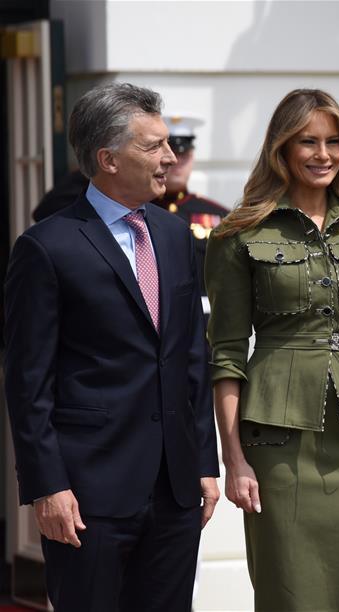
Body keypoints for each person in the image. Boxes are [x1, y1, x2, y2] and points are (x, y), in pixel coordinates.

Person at [3, 82, 220, 611]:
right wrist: (46, 484)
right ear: (108, 159)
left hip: (175, 491)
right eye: (153, 146)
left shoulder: (174, 236)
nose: (170, 157)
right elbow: (27, 380)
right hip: (86, 495)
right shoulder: (46, 246)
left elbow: (192, 357)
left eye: (169, 144)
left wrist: (205, 461)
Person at [205, 89, 339, 612]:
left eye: (334, 142)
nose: (324, 154)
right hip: (277, 442)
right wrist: (234, 460)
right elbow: (226, 353)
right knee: (289, 587)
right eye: (308, 142)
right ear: (282, 149)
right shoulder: (237, 235)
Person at [154, 115, 229, 315]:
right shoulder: (137, 211)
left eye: (184, 153)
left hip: (203, 325)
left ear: (193, 157)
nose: (177, 162)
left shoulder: (219, 215)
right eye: (172, 152)